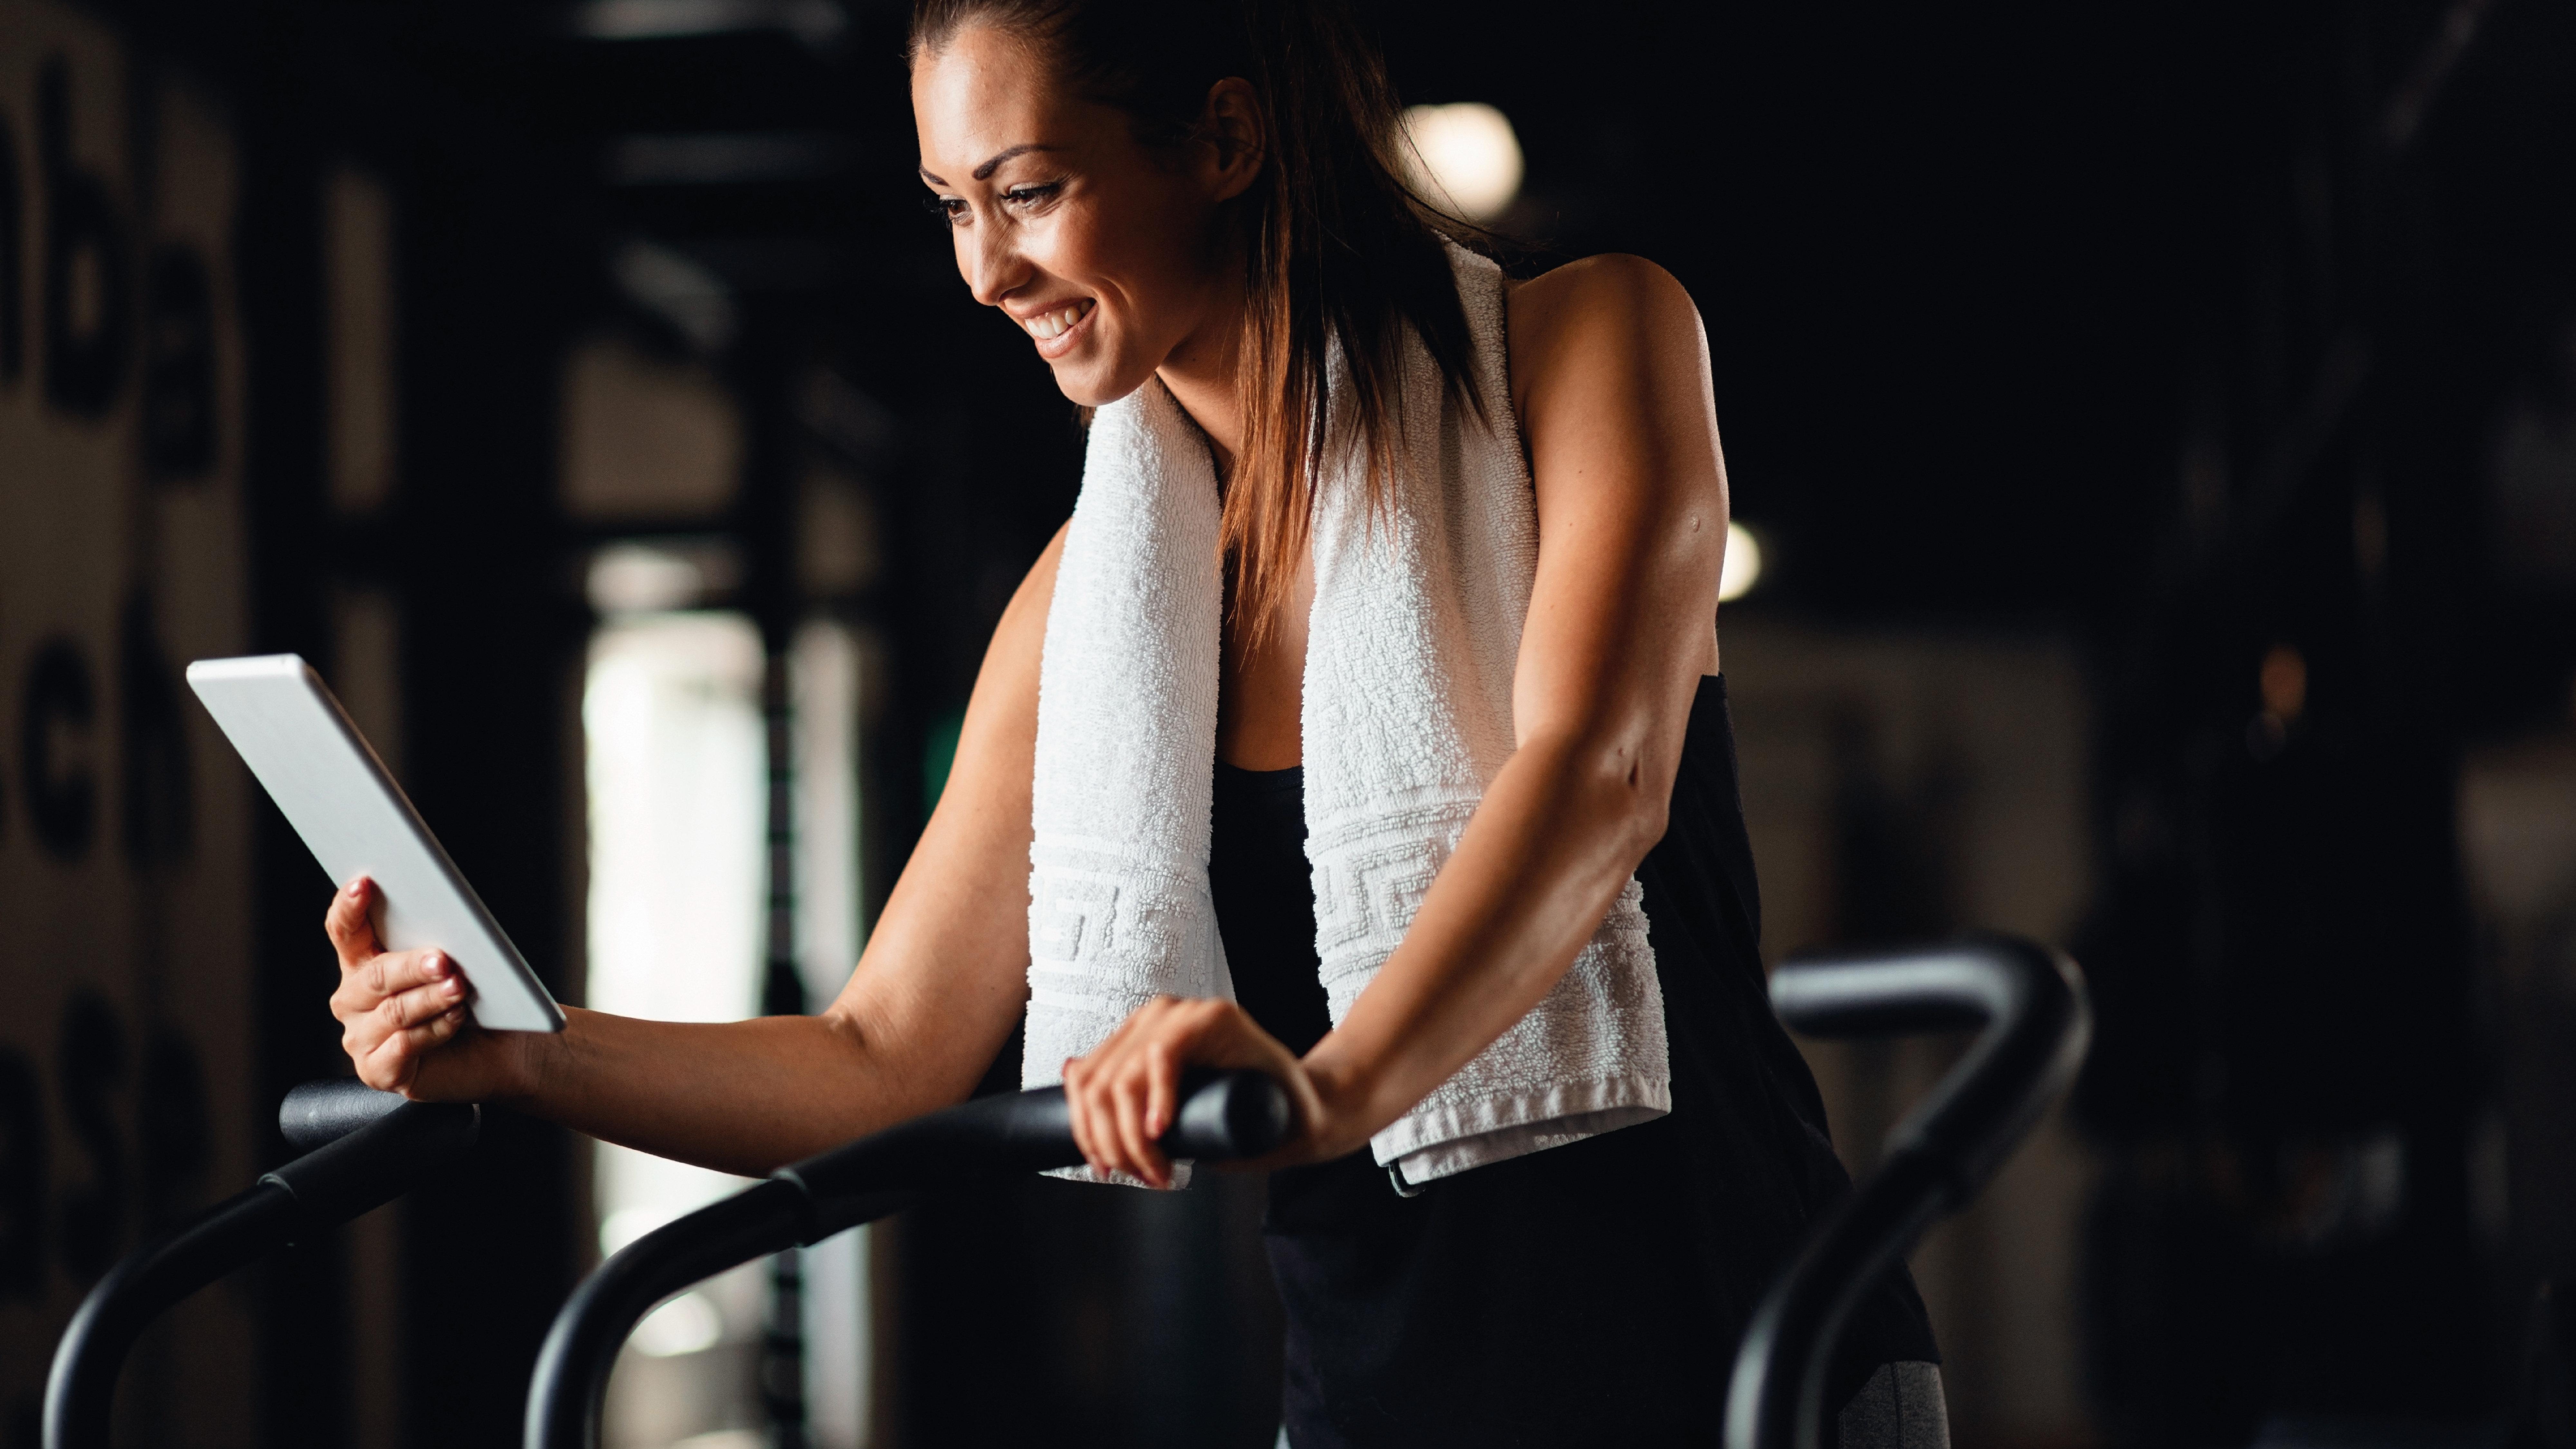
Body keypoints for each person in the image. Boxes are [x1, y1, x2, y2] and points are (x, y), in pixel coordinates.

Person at [322, 1, 1943, 1442]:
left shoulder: (1583, 346)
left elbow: (1598, 776)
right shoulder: (1086, 610)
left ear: (1224, 138)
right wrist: (522, 1056)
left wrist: (1323, 1090)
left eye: (1028, 191)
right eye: (952, 208)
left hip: (1743, 1360)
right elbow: (880, 1056)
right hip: (1380, 1400)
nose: (982, 269)